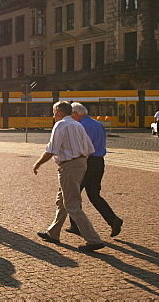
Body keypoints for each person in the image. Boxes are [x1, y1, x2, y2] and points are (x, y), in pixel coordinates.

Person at [32, 101, 105, 252]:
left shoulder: (61, 125)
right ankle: (53, 232)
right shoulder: (78, 124)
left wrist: (38, 163)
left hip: (69, 165)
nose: (53, 116)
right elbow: (90, 148)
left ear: (59, 112)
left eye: (53, 112)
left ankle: (93, 239)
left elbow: (52, 149)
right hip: (81, 163)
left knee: (72, 204)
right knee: (61, 200)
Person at [67, 103, 124, 238]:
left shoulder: (81, 126)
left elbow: (81, 147)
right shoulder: (98, 124)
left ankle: (76, 225)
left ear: (76, 113)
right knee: (94, 195)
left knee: (74, 193)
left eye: (71, 114)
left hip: (86, 162)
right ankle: (113, 219)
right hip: (99, 162)